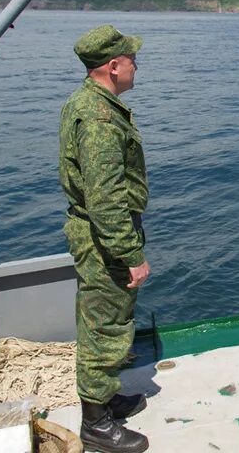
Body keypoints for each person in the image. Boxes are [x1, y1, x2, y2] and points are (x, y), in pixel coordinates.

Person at [58, 24, 151, 453]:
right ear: (113, 67)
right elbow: (106, 198)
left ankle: (106, 398)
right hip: (104, 239)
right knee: (104, 326)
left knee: (107, 320)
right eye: (131, 59)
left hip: (99, 234)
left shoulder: (90, 101)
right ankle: (96, 425)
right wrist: (131, 254)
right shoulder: (98, 119)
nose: (136, 65)